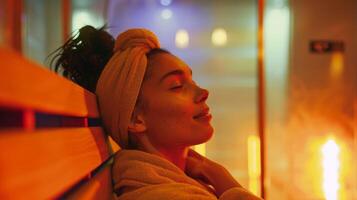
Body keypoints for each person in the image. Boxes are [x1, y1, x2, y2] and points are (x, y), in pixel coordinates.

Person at [51, 25, 262, 200]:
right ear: (135, 118)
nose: (203, 92)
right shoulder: (160, 195)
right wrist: (221, 177)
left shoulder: (176, 183)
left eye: (192, 80)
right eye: (177, 86)